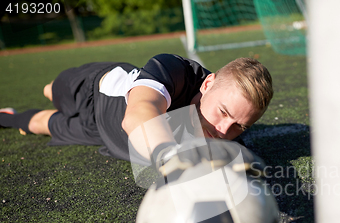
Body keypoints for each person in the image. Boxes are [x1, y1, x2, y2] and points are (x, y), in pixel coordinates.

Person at [0, 54, 273, 163]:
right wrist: (173, 160)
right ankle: (50, 90)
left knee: (37, 125)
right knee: (53, 91)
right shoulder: (176, 71)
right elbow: (138, 114)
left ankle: (7, 116)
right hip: (92, 89)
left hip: (103, 131)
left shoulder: (226, 139)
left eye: (240, 126)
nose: (224, 129)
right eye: (223, 112)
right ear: (208, 84)